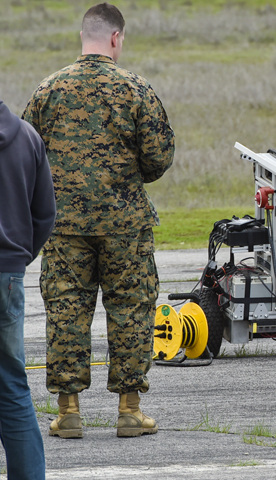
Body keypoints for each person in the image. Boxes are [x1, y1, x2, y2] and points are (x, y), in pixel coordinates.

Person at [22, 2, 174, 438]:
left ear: (83, 36)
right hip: (125, 224)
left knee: (67, 310)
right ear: (115, 38)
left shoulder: (48, 89)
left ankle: (68, 412)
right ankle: (129, 411)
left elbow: (26, 153)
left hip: (64, 225)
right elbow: (159, 156)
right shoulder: (136, 89)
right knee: (131, 309)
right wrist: (127, 179)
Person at [0, 99, 55, 479]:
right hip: (8, 276)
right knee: (12, 385)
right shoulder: (27, 136)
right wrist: (18, 259)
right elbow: (45, 214)